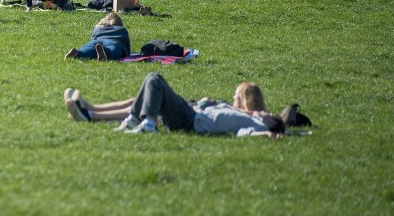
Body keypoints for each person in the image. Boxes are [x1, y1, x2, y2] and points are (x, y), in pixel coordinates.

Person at [68, 73, 284, 137]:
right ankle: (92, 112)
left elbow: (247, 131)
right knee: (149, 86)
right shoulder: (237, 111)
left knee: (153, 81)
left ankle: (144, 123)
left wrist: (265, 132)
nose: (232, 97)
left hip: (190, 119)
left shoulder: (255, 121)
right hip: (190, 113)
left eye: (237, 95)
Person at [65, 13, 130, 61]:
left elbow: (93, 38)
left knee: (88, 49)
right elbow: (125, 44)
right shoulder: (121, 29)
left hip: (95, 42)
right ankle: (104, 52)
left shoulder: (97, 28)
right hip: (113, 42)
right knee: (112, 52)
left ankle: (78, 53)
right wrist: (127, 54)